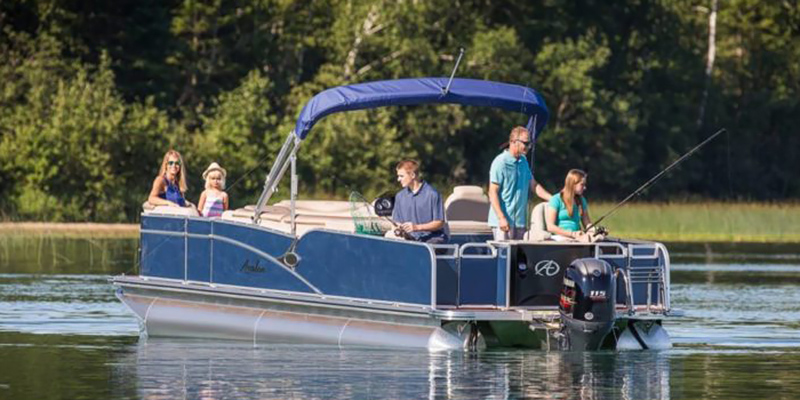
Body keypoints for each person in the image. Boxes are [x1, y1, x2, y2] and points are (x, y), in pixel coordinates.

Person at [488, 126, 552, 240]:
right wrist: (501, 218)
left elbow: (534, 185)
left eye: (530, 143)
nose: (528, 147)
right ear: (513, 141)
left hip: (520, 223)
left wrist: (553, 199)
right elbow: (492, 192)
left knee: (519, 252)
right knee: (504, 252)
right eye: (525, 143)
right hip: (503, 223)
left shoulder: (524, 161)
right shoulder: (500, 162)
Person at [391, 160, 449, 244]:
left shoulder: (433, 194)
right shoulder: (399, 196)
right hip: (409, 240)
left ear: (412, 175)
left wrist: (416, 227)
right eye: (398, 176)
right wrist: (398, 227)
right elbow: (396, 221)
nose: (398, 179)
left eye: (401, 176)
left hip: (432, 239)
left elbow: (439, 223)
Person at [546, 169, 593, 241]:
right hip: (559, 239)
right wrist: (572, 234)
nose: (584, 188)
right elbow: (550, 227)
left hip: (576, 238)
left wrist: (594, 230)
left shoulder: (581, 200)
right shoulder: (556, 199)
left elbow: (587, 224)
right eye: (582, 184)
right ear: (572, 184)